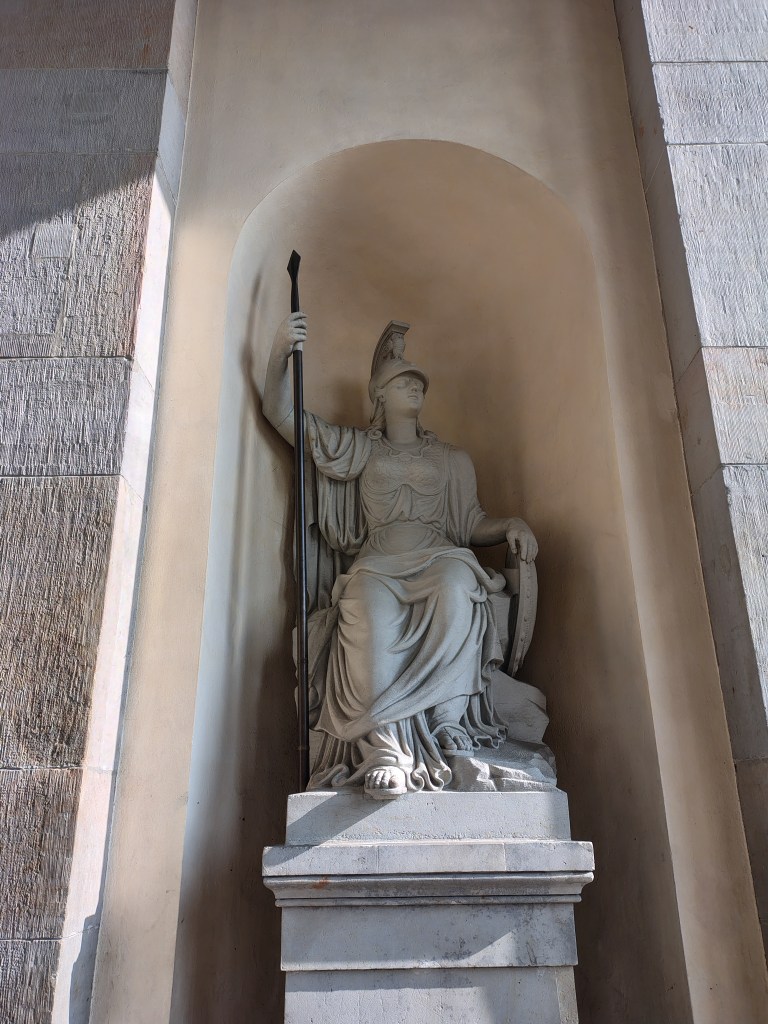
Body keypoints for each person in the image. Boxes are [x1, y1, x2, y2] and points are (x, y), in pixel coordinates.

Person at [263, 312, 538, 799]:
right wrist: (280, 354)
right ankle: (385, 749)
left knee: (458, 583)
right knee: (365, 607)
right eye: (402, 382)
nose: (414, 388)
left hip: (440, 556)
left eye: (418, 384)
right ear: (379, 395)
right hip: (377, 564)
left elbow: (471, 524)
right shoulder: (357, 449)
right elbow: (282, 416)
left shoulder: (452, 459)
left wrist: (510, 524)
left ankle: (448, 720)